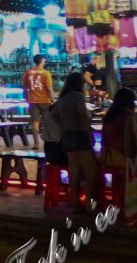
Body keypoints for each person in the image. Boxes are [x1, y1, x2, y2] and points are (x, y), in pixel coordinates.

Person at [53, 72, 99, 213]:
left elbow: (53, 114)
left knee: (75, 172)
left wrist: (64, 126)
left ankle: (76, 205)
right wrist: (90, 134)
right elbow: (83, 116)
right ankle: (90, 207)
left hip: (68, 136)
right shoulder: (78, 96)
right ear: (79, 83)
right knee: (92, 172)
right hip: (79, 135)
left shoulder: (62, 98)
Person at [23, 54, 54, 150]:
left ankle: (36, 144)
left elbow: (25, 88)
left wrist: (26, 99)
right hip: (45, 101)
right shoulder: (46, 73)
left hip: (32, 100)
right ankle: (49, 142)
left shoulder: (28, 73)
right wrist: (53, 101)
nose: (45, 62)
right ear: (41, 61)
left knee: (35, 123)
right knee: (47, 122)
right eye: (44, 60)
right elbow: (49, 89)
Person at [99, 87, 136, 171]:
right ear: (130, 101)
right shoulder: (129, 116)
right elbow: (130, 141)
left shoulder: (108, 116)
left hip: (106, 156)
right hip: (123, 158)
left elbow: (103, 139)